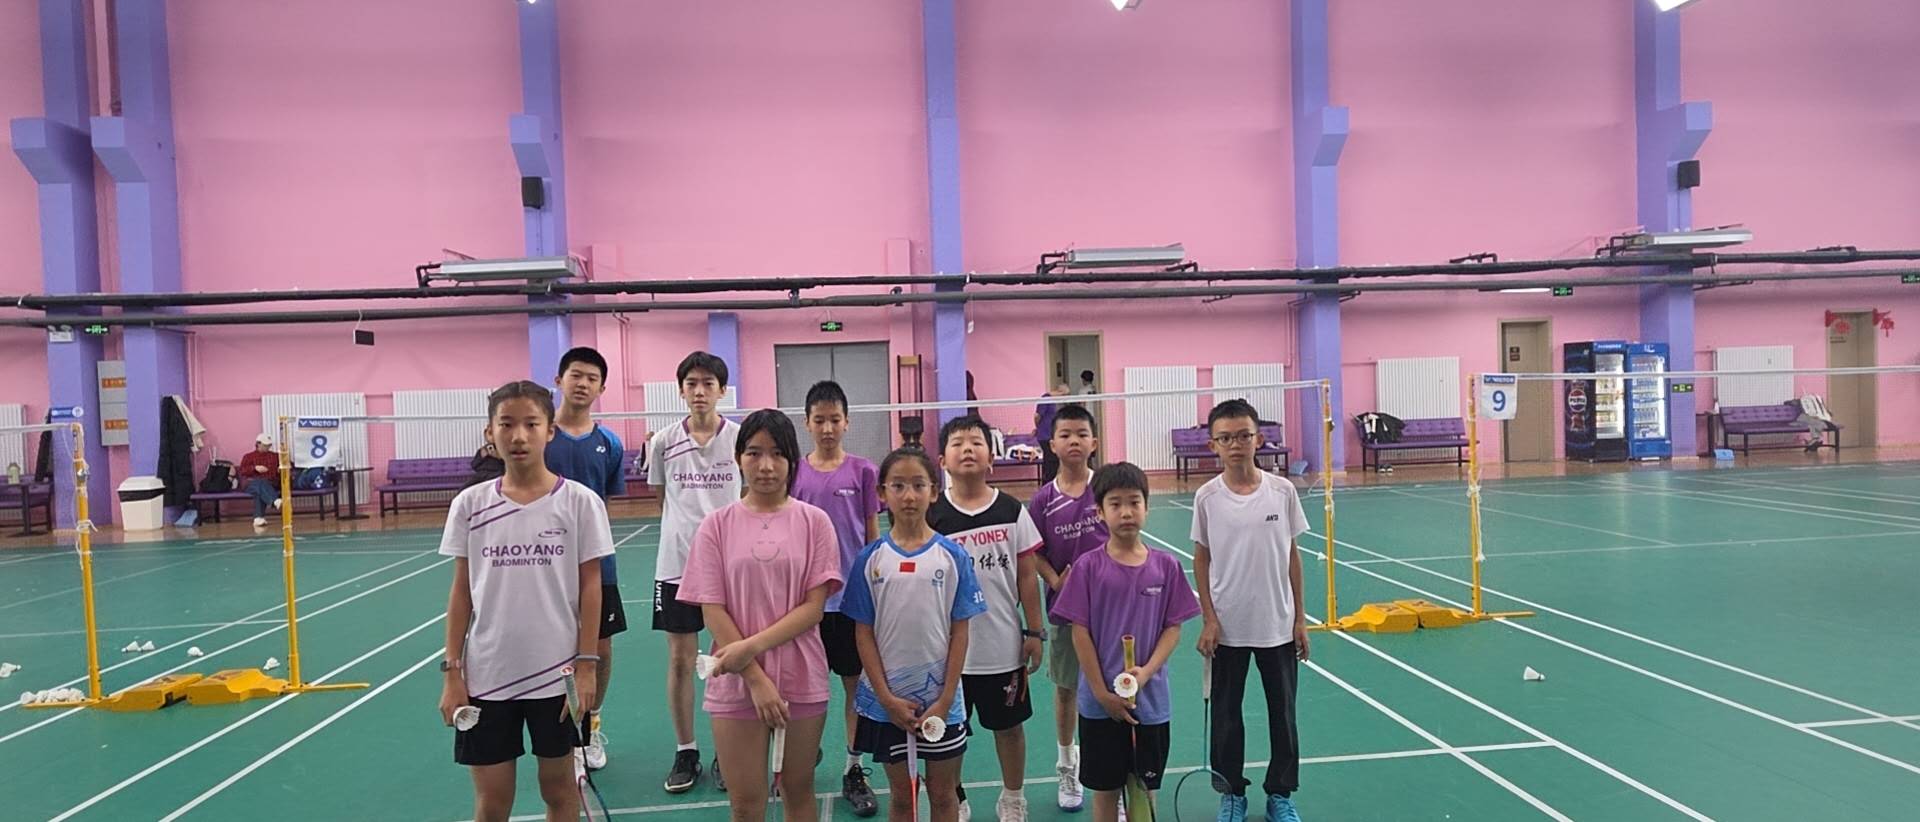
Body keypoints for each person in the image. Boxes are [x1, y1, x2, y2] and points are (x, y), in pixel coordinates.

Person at [438, 380, 612, 822]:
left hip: (558, 678)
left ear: (550, 430)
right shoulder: (470, 505)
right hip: (488, 677)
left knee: (560, 794)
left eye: (531, 424)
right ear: (490, 432)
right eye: (507, 424)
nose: (518, 436)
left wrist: (587, 664)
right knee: (493, 802)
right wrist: (452, 673)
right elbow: (461, 591)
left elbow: (592, 587)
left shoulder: (581, 503)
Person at [676, 410, 842, 822]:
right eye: (754, 453)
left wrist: (748, 648)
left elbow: (813, 608)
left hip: (801, 677)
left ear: (792, 460)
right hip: (735, 681)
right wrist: (755, 678)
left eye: (777, 454)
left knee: (798, 793)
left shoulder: (815, 522)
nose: (765, 465)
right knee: (746, 804)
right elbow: (712, 608)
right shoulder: (715, 526)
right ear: (738, 458)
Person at [1050, 462, 1200, 822]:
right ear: (1099, 512)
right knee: (1105, 794)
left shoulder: (1166, 567)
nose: (1127, 512)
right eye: (1115, 504)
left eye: (1134, 502)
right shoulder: (1087, 567)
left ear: (1147, 507)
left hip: (1150, 704)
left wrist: (1146, 672)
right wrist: (1101, 693)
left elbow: (1173, 628)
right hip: (1099, 706)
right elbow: (1080, 632)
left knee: (1145, 794)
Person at [840, 446, 984, 822]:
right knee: (902, 797)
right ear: (882, 493)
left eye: (918, 485)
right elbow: (863, 635)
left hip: (942, 703)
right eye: (898, 485)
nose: (908, 496)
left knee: (943, 794)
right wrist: (886, 698)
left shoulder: (952, 556)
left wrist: (946, 698)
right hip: (887, 705)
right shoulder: (869, 559)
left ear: (934, 491)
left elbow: (960, 632)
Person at [1192, 398, 1308, 822]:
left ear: (1259, 439)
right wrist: (1209, 618)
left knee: (1284, 715)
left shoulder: (1283, 491)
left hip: (1277, 624)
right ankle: (1231, 793)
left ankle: (1280, 793)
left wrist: (1300, 619)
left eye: (1244, 435)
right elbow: (1201, 558)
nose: (1235, 444)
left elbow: (1292, 556)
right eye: (1225, 438)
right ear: (1213, 445)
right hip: (1227, 628)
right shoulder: (1207, 497)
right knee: (1226, 717)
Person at [926, 414, 1044, 821]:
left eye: (976, 442)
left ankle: (1013, 797)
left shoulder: (1012, 510)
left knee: (1009, 729)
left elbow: (1027, 576)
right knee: (950, 733)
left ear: (991, 458)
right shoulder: (933, 515)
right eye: (958, 443)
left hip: (1002, 648)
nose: (968, 449)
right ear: (942, 460)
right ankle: (954, 798)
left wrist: (1034, 630)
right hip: (947, 653)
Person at [647, 350, 743, 793]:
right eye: (692, 383)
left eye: (708, 383)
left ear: (722, 390)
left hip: (730, 567)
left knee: (731, 656)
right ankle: (686, 750)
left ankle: (728, 749)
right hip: (677, 565)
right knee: (681, 660)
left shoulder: (739, 439)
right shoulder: (663, 441)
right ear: (681, 390)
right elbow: (661, 499)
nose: (700, 391)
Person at [790, 380, 883, 816]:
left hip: (848, 603)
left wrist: (874, 587)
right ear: (807, 424)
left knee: (854, 687)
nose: (827, 428)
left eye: (834, 420)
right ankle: (801, 758)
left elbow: (871, 534)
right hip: (805, 604)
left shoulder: (863, 471)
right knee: (802, 692)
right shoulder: (794, 473)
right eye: (819, 420)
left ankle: (853, 768)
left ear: (847, 423)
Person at [544, 346, 626, 771]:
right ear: (559, 380)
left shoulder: (609, 443)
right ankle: (559, 736)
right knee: (551, 648)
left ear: (601, 388)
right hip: (545, 563)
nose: (583, 384)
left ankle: (589, 728)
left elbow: (605, 500)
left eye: (592, 378)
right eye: (576, 375)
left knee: (600, 649)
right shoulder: (541, 436)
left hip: (597, 561)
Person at [1026, 404, 1105, 812]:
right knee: (1067, 688)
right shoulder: (1042, 500)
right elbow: (1034, 552)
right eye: (1065, 434)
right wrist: (1056, 581)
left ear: (1094, 442)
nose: (1074, 441)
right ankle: (1067, 766)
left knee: (1112, 688)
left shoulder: (1105, 487)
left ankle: (1110, 775)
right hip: (1064, 612)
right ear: (1052, 444)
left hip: (1110, 612)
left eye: (1081, 434)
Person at [236, 433, 281, 528]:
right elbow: (242, 471)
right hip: (251, 483)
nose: (267, 447)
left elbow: (288, 465)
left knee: (259, 489)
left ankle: (258, 518)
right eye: (265, 445)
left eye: (269, 445)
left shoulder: (275, 456)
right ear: (258, 444)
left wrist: (280, 469)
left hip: (269, 483)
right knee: (259, 483)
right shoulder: (248, 457)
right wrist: (255, 468)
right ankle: (274, 500)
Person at [1034, 384, 1071, 485]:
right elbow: (1037, 416)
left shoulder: (1054, 403)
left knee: (1053, 461)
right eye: (1064, 395)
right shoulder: (1046, 398)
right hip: (1045, 436)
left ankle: (1049, 483)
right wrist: (1038, 428)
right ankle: (1047, 484)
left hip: (1052, 436)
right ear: (1061, 392)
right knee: (1051, 461)